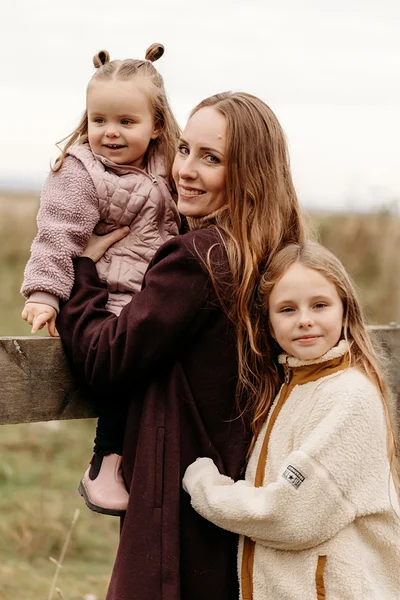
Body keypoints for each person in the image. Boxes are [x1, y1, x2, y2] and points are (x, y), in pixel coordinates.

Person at [55, 91, 307, 600]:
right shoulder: (279, 254)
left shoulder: (200, 258)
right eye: (185, 149)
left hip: (180, 494)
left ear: (250, 175)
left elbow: (106, 357)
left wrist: (82, 272)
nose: (185, 170)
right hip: (243, 483)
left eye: (210, 158)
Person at [183, 241, 400, 600]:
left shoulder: (350, 396)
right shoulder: (291, 386)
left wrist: (206, 487)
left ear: (345, 310)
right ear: (268, 324)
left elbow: (290, 515)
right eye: (287, 309)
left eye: (320, 305)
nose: (304, 320)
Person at [20, 44, 181, 516]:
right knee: (122, 359)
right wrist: (45, 294)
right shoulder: (81, 170)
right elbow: (57, 233)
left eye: (126, 122)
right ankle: (106, 462)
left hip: (154, 291)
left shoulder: (170, 164)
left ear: (156, 125)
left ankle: (154, 458)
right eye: (99, 120)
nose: (110, 132)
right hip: (106, 296)